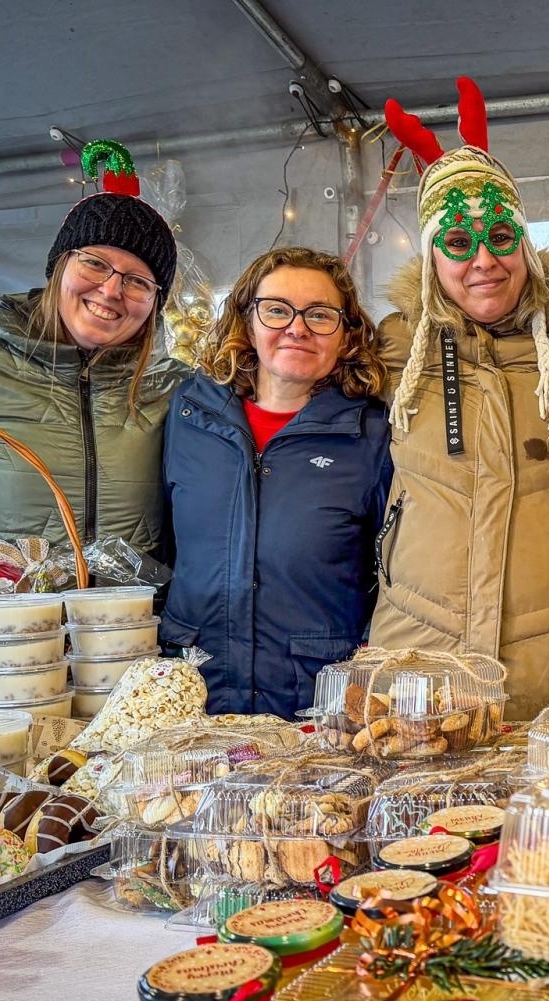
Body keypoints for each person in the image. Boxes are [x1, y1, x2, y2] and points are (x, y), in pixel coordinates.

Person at [367, 78, 549, 720]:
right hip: (415, 662)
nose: (483, 262)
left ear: (522, 242)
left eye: (499, 236)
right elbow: (291, 349)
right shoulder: (394, 349)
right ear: (434, 258)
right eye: (459, 244)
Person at [0, 186, 186, 555]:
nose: (111, 290)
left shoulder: (176, 389)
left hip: (131, 612)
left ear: (154, 303)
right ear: (59, 267)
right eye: (94, 263)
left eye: (137, 281)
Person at [161, 247, 391, 718]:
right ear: (248, 322)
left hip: (314, 704)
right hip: (197, 692)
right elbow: (162, 543)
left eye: (320, 315)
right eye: (277, 310)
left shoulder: (372, 435)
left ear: (347, 335)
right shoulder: (189, 415)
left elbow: (391, 574)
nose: (297, 327)